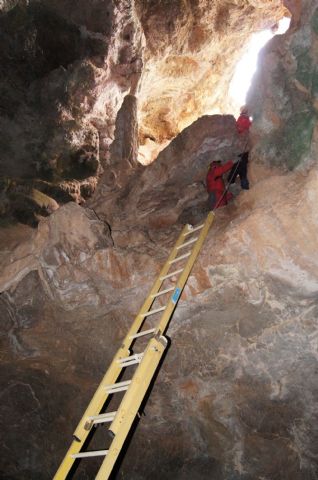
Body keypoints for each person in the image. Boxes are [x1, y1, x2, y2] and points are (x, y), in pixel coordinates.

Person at [228, 105, 252, 190]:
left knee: (239, 164)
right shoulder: (243, 119)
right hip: (242, 148)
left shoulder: (242, 118)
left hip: (240, 147)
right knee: (242, 165)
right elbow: (246, 126)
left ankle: (232, 181)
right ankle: (243, 184)